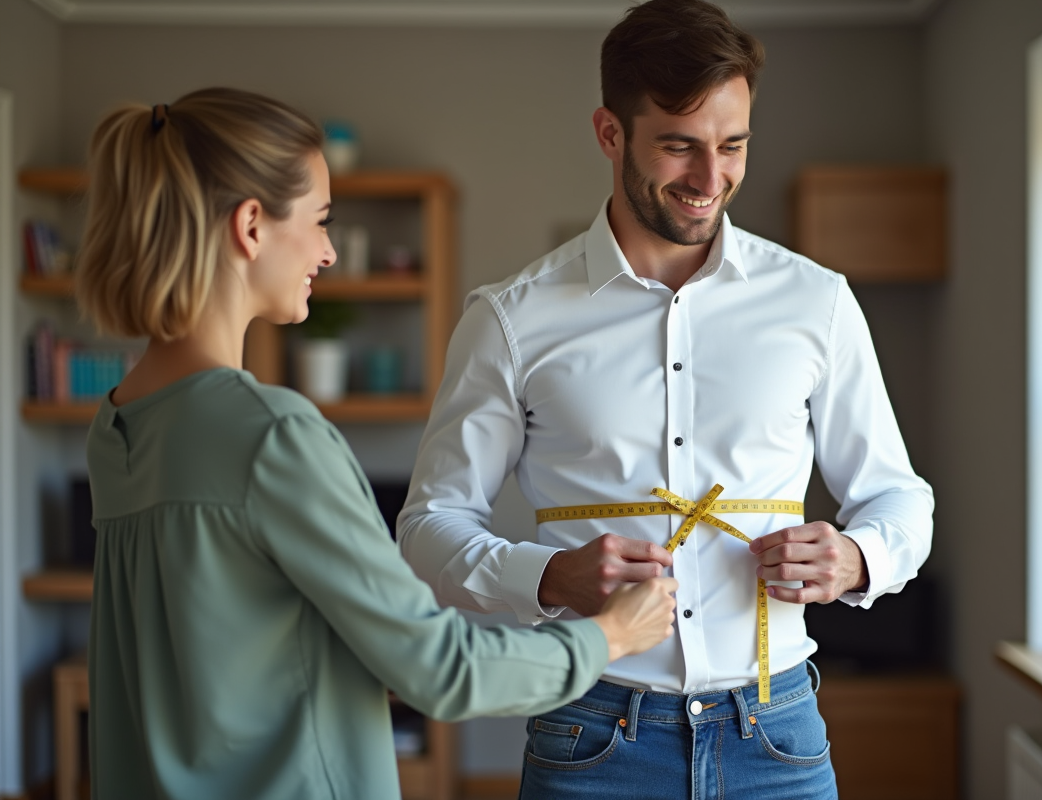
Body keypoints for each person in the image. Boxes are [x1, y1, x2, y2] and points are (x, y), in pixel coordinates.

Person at [396, 1, 935, 797]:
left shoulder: (815, 302)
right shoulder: (511, 318)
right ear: (610, 134)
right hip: (591, 732)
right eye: (679, 146)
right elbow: (428, 527)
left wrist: (858, 558)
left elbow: (899, 496)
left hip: (775, 734)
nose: (710, 180)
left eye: (733, 146)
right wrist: (548, 579)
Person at [75, 86, 677, 800]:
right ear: (250, 227)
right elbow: (435, 668)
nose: (328, 252)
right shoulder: (272, 437)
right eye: (321, 220)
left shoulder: (117, 427)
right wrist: (609, 636)